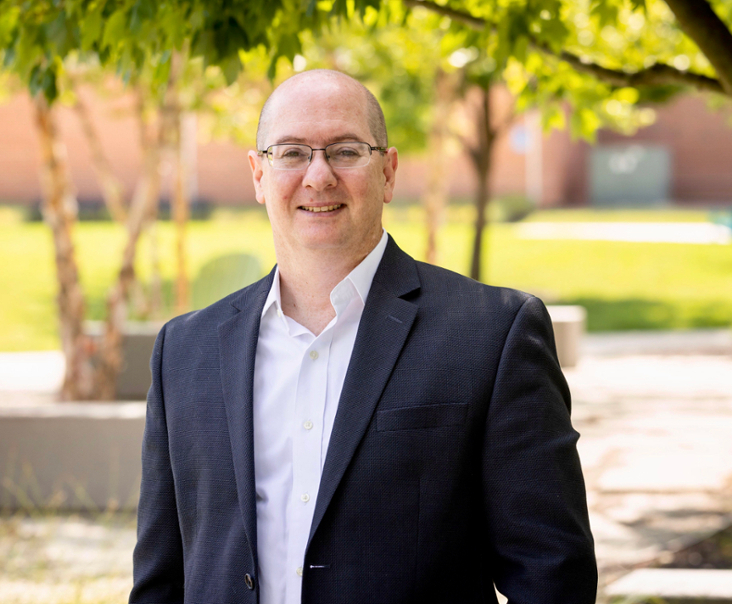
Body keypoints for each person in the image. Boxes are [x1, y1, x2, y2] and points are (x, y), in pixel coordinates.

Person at [129, 69, 597, 604]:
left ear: (389, 172)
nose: (319, 176)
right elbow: (160, 581)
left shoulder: (493, 335)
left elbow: (552, 572)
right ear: (258, 175)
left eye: (346, 151)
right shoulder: (184, 352)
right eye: (292, 153)